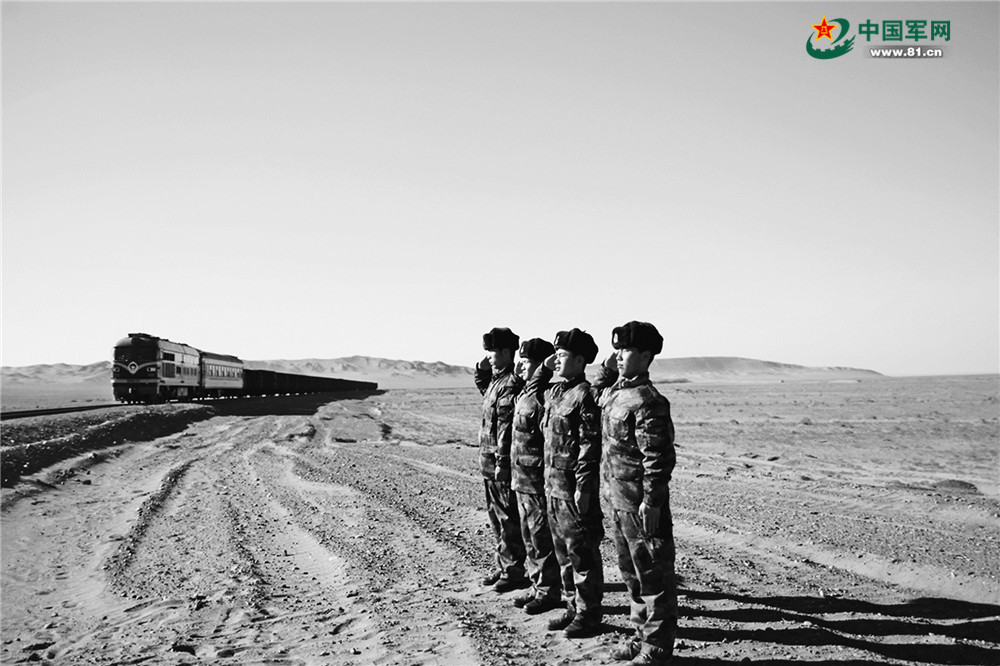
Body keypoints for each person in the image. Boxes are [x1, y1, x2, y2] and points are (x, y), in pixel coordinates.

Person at [597, 321, 677, 666]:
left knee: (653, 576)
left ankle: (657, 647)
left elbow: (657, 458)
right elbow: (597, 390)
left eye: (626, 350)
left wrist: (652, 501)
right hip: (617, 500)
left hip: (641, 504)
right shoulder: (616, 394)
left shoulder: (649, 401)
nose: (618, 355)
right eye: (616, 349)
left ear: (646, 356)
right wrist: (607, 367)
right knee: (630, 574)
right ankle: (641, 635)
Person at [541, 328, 604, 638]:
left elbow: (589, 446)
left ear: (580, 361)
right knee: (563, 552)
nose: (555, 361)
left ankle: (589, 614)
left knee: (582, 554)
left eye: (562, 356)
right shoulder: (555, 393)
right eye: (555, 355)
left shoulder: (585, 396)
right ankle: (571, 607)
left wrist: (583, 487)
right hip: (552, 486)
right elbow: (533, 387)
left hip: (573, 489)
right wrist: (544, 367)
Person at [509, 338, 562, 615]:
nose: (520, 367)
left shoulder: (546, 396)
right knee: (529, 537)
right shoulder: (525, 394)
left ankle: (548, 591)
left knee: (542, 539)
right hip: (522, 479)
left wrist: (543, 370)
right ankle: (536, 585)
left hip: (538, 480)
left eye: (526, 362)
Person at [476, 326, 528, 593]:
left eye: (493, 352)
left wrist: (502, 462)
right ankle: (503, 564)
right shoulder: (496, 382)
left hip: (501, 461)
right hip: (488, 460)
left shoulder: (513, 383)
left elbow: (507, 428)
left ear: (507, 353)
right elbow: (484, 389)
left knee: (508, 518)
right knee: (495, 516)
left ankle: (514, 570)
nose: (489, 356)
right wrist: (481, 371)